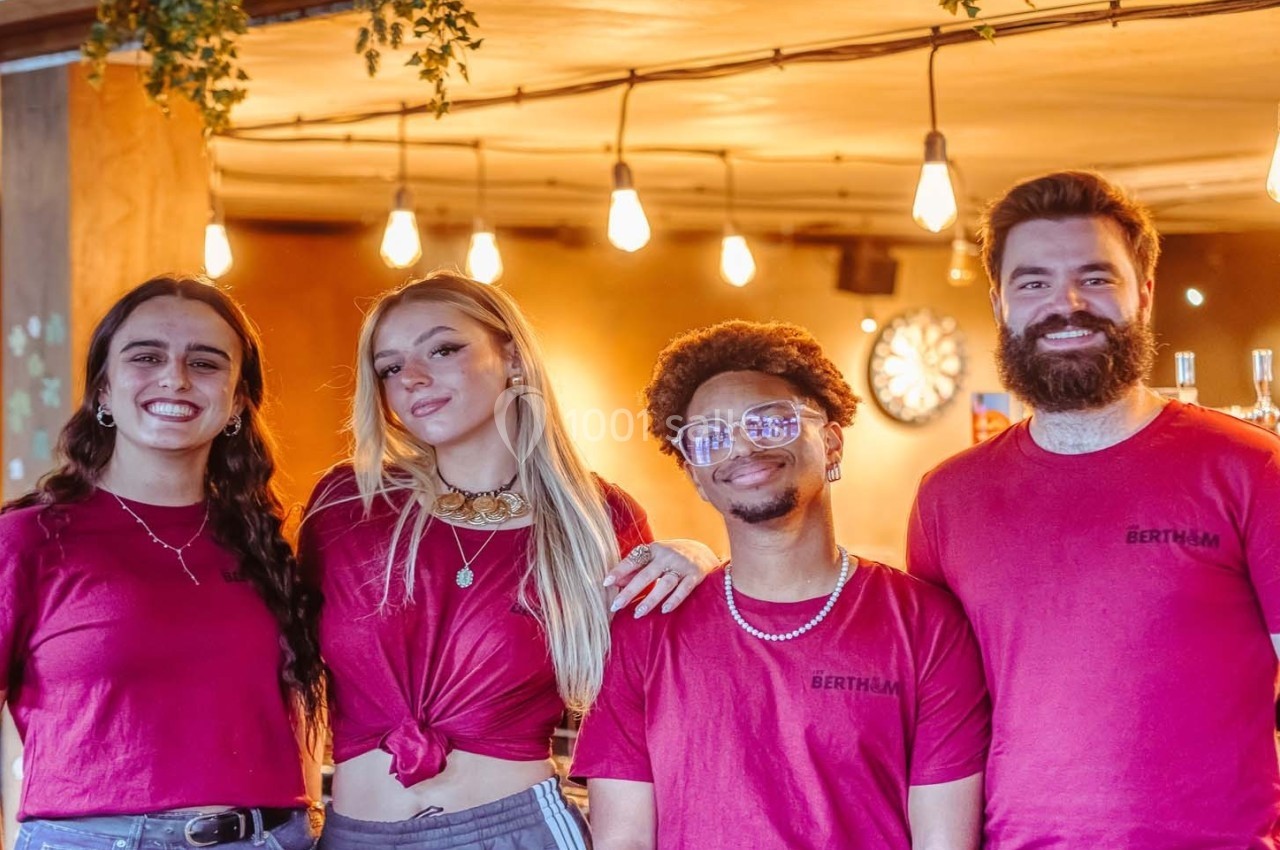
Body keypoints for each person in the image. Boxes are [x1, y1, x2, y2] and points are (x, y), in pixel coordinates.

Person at [907, 170, 1280, 848]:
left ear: (1144, 293)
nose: (1066, 303)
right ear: (1000, 304)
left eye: (1097, 278)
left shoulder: (1250, 470)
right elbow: (939, 720)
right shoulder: (948, 498)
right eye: (1034, 283)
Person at [300, 272, 717, 850]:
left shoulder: (597, 519)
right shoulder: (347, 505)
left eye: (443, 349)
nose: (413, 378)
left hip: (518, 831)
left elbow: (646, 710)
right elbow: (285, 680)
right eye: (390, 367)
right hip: (353, 834)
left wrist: (700, 557)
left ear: (513, 359)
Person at [574, 320, 990, 850]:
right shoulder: (644, 630)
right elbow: (624, 841)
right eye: (711, 437)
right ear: (696, 476)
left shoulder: (927, 625)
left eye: (770, 422)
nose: (743, 447)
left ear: (833, 443)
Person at [0, 275, 325, 850]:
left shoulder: (267, 544)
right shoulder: (29, 540)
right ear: (103, 390)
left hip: (271, 839)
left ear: (237, 402)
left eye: (205, 363)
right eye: (146, 356)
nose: (174, 378)